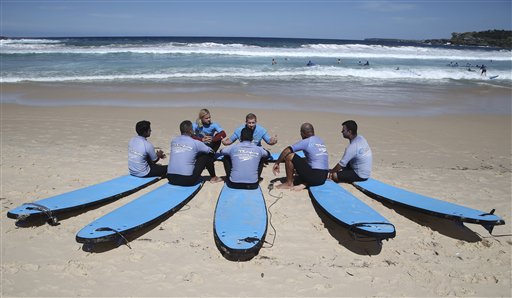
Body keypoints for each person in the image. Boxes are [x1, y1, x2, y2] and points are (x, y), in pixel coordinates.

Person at [272, 123, 329, 191]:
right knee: (305, 159)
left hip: (314, 177)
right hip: (323, 177)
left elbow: (287, 150)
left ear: (302, 133)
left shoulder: (306, 141)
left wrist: (277, 163)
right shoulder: (320, 140)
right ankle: (305, 184)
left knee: (289, 156)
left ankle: (289, 183)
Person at [167, 120, 219, 186]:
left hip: (171, 178)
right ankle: (214, 177)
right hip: (187, 180)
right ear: (191, 131)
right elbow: (211, 151)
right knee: (205, 155)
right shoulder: (195, 142)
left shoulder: (173, 141)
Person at [192, 109, 225, 183]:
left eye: (209, 117)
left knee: (218, 137)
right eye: (206, 118)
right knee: (193, 139)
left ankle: (211, 155)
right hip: (200, 145)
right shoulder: (196, 125)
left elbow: (223, 134)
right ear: (201, 118)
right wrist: (201, 139)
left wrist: (213, 139)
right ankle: (208, 158)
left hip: (211, 145)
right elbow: (190, 135)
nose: (209, 119)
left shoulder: (214, 125)